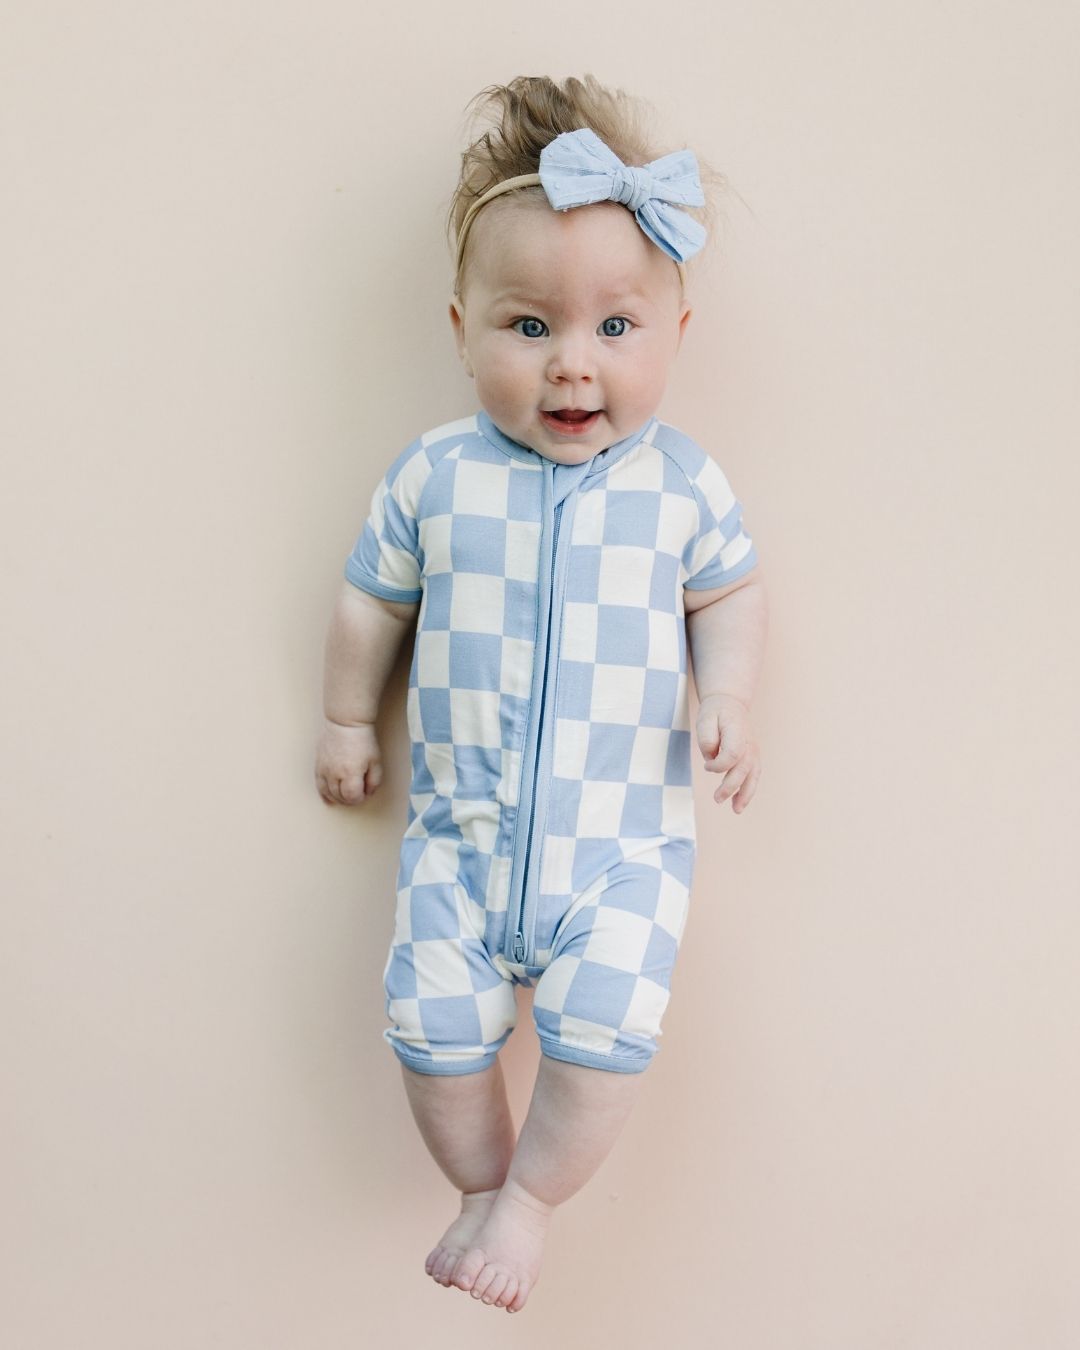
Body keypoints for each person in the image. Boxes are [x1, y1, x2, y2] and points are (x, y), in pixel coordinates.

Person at [314, 74, 769, 1315]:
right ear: (463, 327)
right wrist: (348, 716)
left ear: (677, 333)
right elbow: (369, 602)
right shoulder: (434, 475)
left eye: (616, 327)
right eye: (528, 327)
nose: (572, 365)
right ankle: (478, 1184)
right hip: (457, 849)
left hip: (620, 855)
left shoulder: (682, 487)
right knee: (431, 1036)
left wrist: (728, 695)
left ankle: (530, 1202)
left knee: (604, 1047)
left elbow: (729, 593)